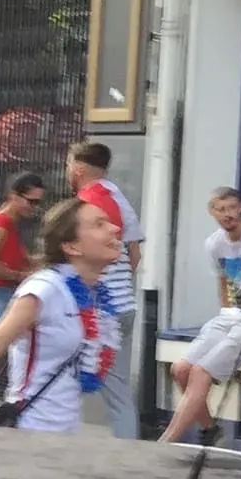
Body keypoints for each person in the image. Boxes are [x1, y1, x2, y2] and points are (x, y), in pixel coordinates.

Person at [159, 187, 241, 445]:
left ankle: (167, 442)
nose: (228, 214)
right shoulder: (215, 243)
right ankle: (209, 429)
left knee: (200, 372)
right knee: (180, 369)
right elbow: (223, 281)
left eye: (232, 207)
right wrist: (226, 311)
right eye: (221, 209)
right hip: (231, 316)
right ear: (212, 212)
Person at [0, 196, 123, 431]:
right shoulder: (44, 289)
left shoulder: (93, 293)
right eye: (99, 224)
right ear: (72, 247)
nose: (115, 228)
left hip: (66, 434)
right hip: (31, 431)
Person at [68, 140, 142, 438]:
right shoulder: (120, 199)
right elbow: (135, 256)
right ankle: (129, 445)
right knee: (118, 389)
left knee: (61, 377)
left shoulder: (87, 203)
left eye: (69, 165)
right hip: (124, 305)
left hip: (97, 308)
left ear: (79, 168)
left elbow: (79, 258)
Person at [0, 172, 45, 334]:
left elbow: (19, 260)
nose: (35, 208)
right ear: (13, 196)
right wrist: (19, 276)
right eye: (31, 202)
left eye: (38, 203)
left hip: (1, 298)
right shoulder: (2, 222)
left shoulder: (9, 222)